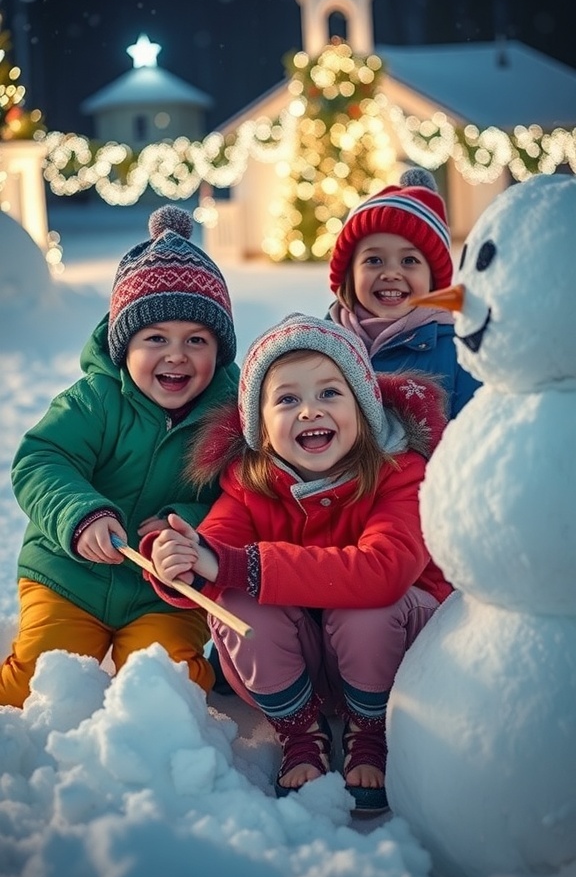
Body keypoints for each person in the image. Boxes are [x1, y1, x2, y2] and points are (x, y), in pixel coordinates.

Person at [140, 313, 451, 812]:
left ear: (364, 408)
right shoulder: (248, 483)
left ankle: (370, 731)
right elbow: (217, 546)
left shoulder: (400, 473)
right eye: (287, 399)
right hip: (302, 658)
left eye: (330, 393)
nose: (309, 411)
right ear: (259, 426)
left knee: (365, 605)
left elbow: (386, 568)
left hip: (395, 648)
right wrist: (184, 561)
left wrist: (239, 565)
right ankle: (300, 732)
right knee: (237, 600)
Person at [3, 205, 239, 708]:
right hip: (69, 576)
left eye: (196, 340)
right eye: (156, 339)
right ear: (122, 346)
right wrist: (80, 515)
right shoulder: (95, 401)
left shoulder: (232, 420)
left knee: (168, 685)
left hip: (166, 591)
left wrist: (188, 528)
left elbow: (239, 501)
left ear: (218, 352)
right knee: (40, 684)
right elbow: (41, 460)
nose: (176, 355)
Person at [328, 167, 480, 418]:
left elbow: (474, 434)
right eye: (374, 260)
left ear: (432, 278)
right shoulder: (324, 343)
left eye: (409, 261)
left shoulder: (458, 352)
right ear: (349, 273)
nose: (391, 273)